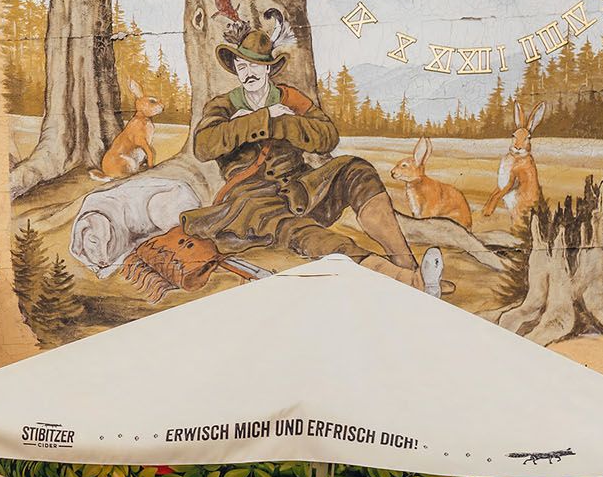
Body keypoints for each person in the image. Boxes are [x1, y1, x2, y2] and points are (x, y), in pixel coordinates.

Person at [180, 29, 442, 293]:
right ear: (235, 68)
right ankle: (409, 283)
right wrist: (264, 119)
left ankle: (406, 263)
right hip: (252, 200)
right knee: (310, 236)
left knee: (356, 170)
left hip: (302, 188)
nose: (249, 72)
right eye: (242, 65)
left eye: (256, 65)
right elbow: (204, 145)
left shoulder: (291, 99)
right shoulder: (223, 105)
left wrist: (285, 123)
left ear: (268, 69)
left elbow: (327, 136)